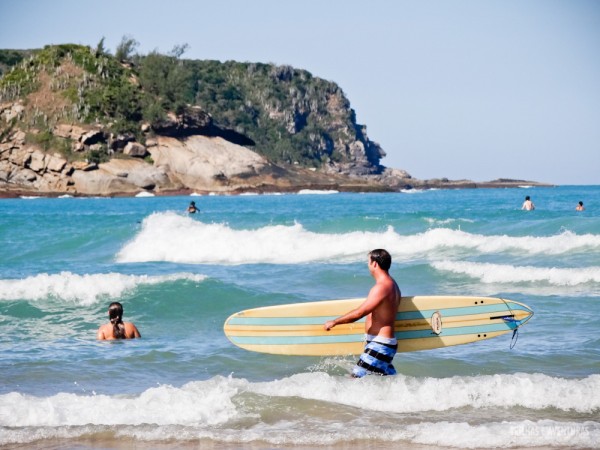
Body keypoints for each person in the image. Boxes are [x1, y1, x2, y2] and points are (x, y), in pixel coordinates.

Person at [324, 249, 401, 377]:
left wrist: (335, 321)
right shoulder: (392, 284)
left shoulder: (382, 287)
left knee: (354, 380)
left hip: (380, 344)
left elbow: (360, 313)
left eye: (368, 262)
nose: (368, 265)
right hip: (382, 344)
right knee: (380, 384)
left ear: (375, 264)